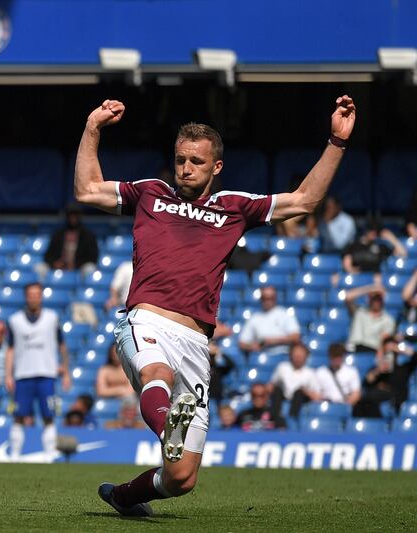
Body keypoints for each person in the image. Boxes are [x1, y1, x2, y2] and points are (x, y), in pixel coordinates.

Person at [74, 96, 355, 516]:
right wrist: (92, 127)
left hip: (195, 343)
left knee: (181, 478)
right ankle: (169, 419)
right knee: (157, 374)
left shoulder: (234, 208)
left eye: (196, 162)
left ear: (216, 167)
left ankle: (123, 497)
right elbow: (87, 189)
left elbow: (304, 201)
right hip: (145, 319)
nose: (185, 168)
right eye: (180, 159)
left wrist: (336, 141)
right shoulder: (150, 194)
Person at [5, 283, 71, 462]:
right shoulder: (15, 320)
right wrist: (8, 375)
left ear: (41, 296)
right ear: (26, 297)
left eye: (37, 294)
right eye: (30, 294)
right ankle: (15, 455)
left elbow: (62, 346)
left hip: (46, 374)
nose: (34, 298)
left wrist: (66, 372)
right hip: (23, 375)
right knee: (18, 416)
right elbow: (10, 349)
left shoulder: (52, 318)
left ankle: (49, 454)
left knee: (48, 416)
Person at [354, 335, 417, 418]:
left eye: (392, 351)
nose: (390, 354)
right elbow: (366, 383)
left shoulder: (403, 368)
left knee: (370, 398)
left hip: (396, 395)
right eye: (387, 351)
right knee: (364, 400)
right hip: (377, 396)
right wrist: (377, 371)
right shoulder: (378, 368)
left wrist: (401, 349)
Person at [238, 286, 301, 356]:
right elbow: (242, 343)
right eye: (265, 298)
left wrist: (273, 341)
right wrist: (252, 346)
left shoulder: (284, 314)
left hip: (283, 355)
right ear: (261, 299)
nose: (268, 301)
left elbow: (296, 337)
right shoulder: (254, 318)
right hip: (261, 356)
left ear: (275, 298)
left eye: (271, 298)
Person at [268, 343, 321, 417]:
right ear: (291, 355)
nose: (298, 358)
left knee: (299, 393)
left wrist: (305, 392)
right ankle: (275, 418)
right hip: (283, 396)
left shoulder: (310, 373)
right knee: (277, 391)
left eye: (301, 356)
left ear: (306, 357)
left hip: (300, 400)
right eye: (296, 355)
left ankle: (293, 419)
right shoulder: (282, 367)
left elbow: (317, 396)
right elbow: (271, 385)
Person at [43, 204, 99, 273]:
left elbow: (93, 258)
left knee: (90, 268)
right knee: (41, 267)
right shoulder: (58, 235)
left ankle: (86, 284)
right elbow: (48, 256)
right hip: (59, 268)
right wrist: (55, 263)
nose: (73, 217)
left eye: (75, 215)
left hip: (79, 269)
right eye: (71, 215)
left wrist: (76, 264)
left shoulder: (88, 236)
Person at [345, 284, 396, 353]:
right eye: (373, 299)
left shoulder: (388, 320)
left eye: (378, 299)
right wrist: (371, 289)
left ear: (383, 300)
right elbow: (348, 297)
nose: (376, 302)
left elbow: (384, 341)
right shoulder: (359, 312)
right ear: (369, 299)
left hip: (372, 352)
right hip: (353, 350)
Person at [342, 220, 406, 274]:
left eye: (376, 231)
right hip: (357, 277)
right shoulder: (354, 245)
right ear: (366, 231)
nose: (374, 233)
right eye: (371, 230)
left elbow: (402, 253)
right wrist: (357, 275)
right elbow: (347, 265)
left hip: (375, 280)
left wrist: (391, 238)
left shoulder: (381, 246)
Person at [314, 342, 361, 407]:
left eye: (339, 355)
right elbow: (316, 394)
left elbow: (356, 394)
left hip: (344, 404)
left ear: (343, 356)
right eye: (334, 356)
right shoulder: (320, 372)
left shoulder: (352, 372)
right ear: (329, 356)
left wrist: (344, 406)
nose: (337, 359)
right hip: (326, 405)